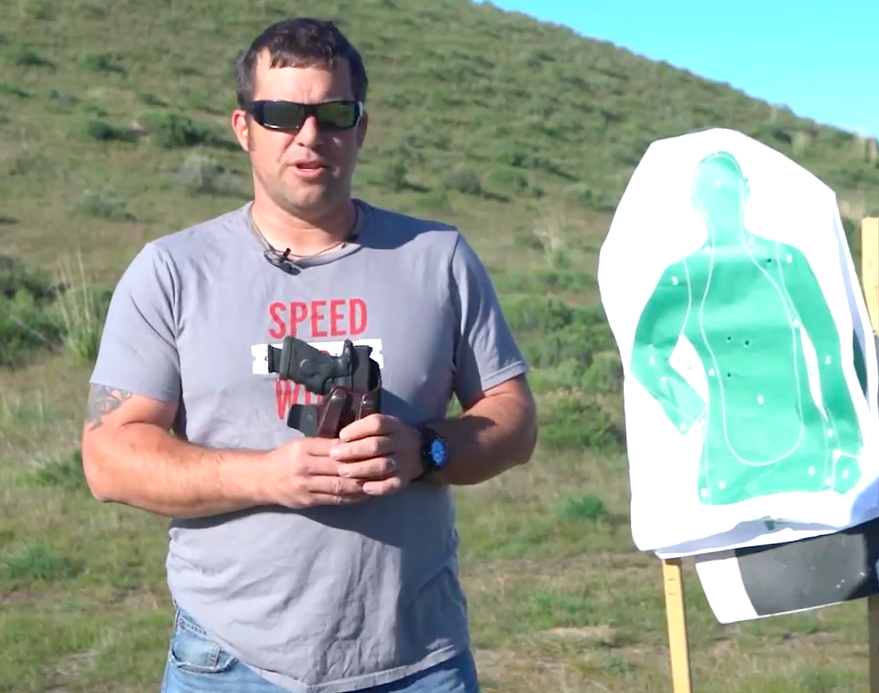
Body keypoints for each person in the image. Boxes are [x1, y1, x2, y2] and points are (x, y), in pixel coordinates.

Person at [79, 16, 537, 693]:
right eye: (282, 115)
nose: (309, 135)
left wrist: (426, 450)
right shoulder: (172, 271)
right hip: (229, 663)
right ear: (244, 127)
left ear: (361, 127)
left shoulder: (437, 258)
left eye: (333, 113)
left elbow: (514, 419)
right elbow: (109, 458)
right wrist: (267, 476)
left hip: (416, 660)